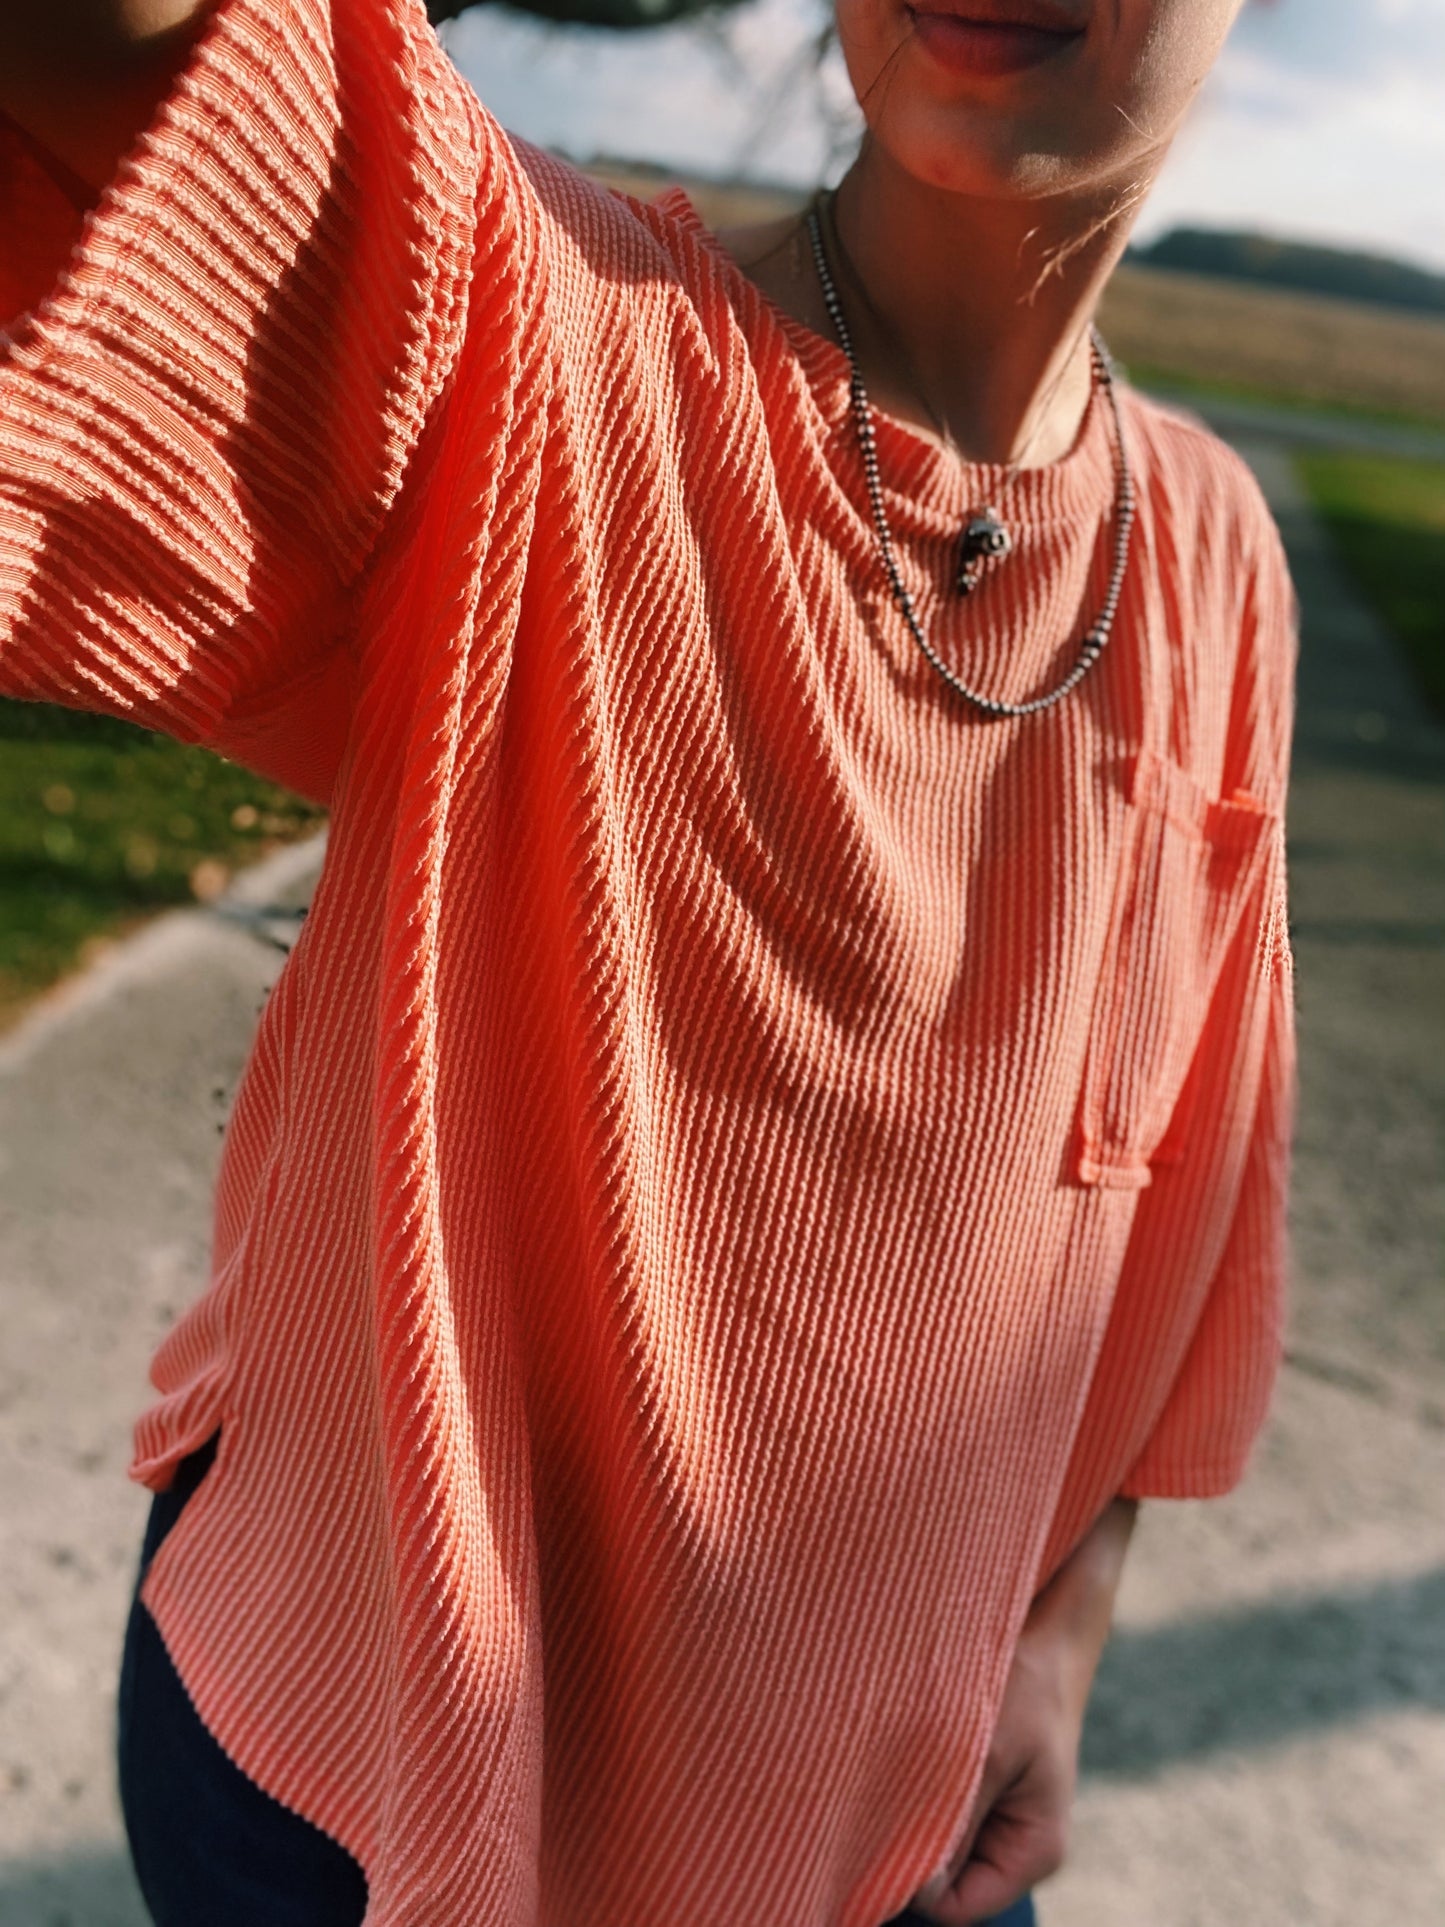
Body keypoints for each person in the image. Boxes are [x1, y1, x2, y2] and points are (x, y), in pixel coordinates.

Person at [0, 0, 1296, 1921]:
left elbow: (1172, 1173)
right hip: (365, 1767)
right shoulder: (535, 332)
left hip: (897, 1824)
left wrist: (1058, 1635)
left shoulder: (1206, 556)